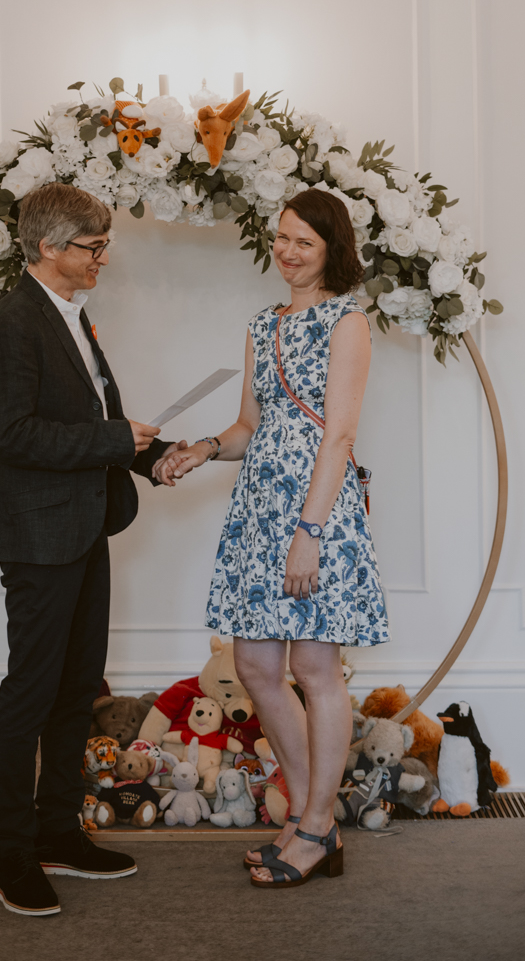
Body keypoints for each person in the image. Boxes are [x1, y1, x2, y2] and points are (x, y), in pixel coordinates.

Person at [156, 188, 389, 889]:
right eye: (282, 237)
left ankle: (314, 826)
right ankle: (312, 815)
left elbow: (338, 434)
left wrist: (308, 534)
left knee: (315, 669)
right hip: (260, 510)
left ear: (332, 250)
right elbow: (250, 426)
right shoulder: (264, 323)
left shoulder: (348, 321)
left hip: (316, 513)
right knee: (257, 665)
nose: (288, 251)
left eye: (304, 242)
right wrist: (202, 449)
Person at [0, 183, 183, 916]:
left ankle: (59, 831)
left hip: (86, 526)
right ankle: (10, 853)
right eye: (93, 247)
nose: (104, 258)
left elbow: (94, 418)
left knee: (76, 690)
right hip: (39, 538)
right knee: (30, 695)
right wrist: (113, 439)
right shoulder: (14, 321)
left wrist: (149, 457)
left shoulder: (70, 312)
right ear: (48, 247)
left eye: (104, 244)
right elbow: (11, 434)